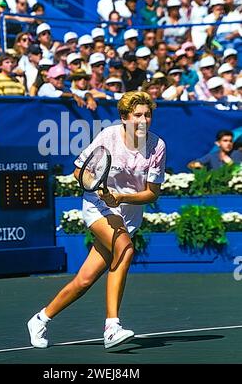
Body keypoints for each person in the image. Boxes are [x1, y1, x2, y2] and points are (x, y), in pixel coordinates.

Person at [27, 91, 166, 349]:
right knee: (125, 251)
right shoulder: (108, 136)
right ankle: (112, 326)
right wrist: (98, 189)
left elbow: (152, 193)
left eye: (147, 115)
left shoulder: (157, 146)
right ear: (124, 117)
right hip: (98, 207)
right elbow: (79, 170)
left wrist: (123, 197)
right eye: (137, 115)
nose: (144, 120)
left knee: (85, 279)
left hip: (127, 214)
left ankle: (40, 319)